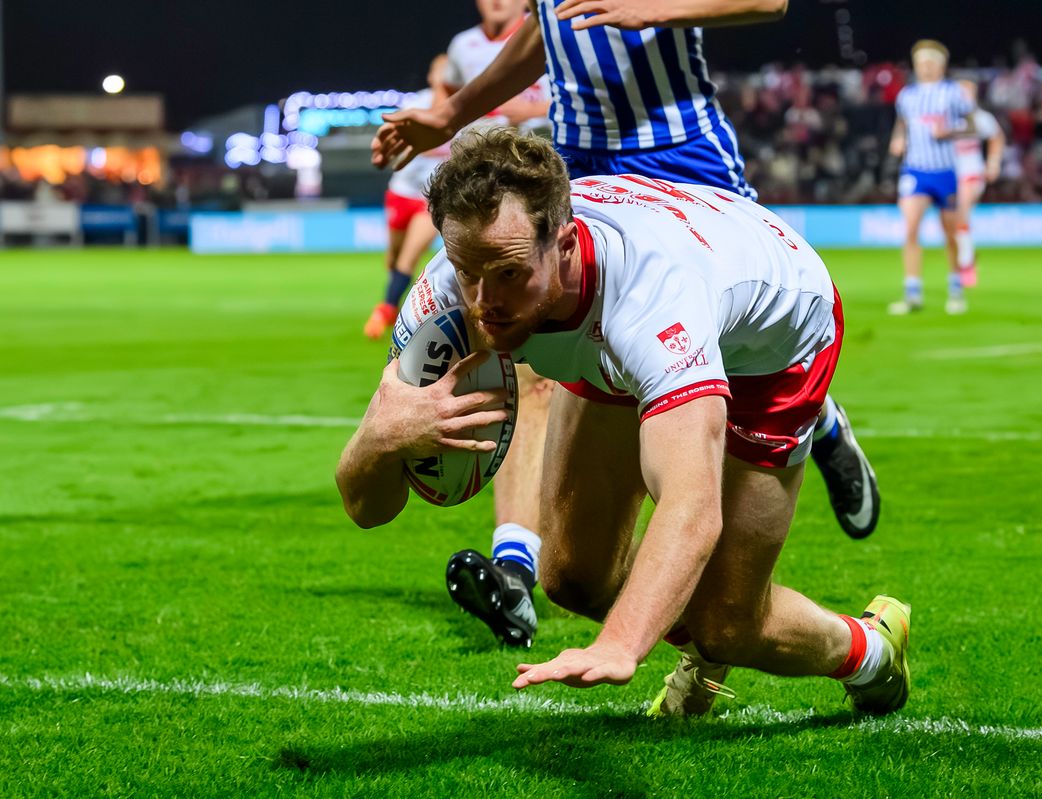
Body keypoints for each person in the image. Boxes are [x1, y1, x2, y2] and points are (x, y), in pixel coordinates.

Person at [337, 128, 909, 717]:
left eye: (509, 274)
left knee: (727, 624)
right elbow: (366, 508)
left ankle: (872, 650)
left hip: (776, 339)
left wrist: (620, 643)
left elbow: (690, 508)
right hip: (617, 327)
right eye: (468, 270)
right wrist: (377, 441)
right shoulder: (448, 291)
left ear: (563, 245)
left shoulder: (651, 301)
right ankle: (700, 641)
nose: (483, 302)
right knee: (574, 578)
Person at [371, 0, 881, 651]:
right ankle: (519, 560)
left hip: (679, 149)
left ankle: (818, 416)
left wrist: (662, 7)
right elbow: (547, 28)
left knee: (703, 334)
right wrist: (450, 113)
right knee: (535, 357)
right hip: (583, 156)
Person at [364, 56, 453, 340]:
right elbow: (405, 143)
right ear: (430, 76)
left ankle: (386, 310)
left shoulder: (464, 110)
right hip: (401, 192)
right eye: (438, 71)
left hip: (430, 200)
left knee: (408, 259)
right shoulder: (415, 105)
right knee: (393, 259)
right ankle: (394, 304)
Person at [887, 40, 975, 316]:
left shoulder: (953, 93)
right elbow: (901, 124)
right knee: (911, 228)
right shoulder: (907, 96)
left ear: (940, 65)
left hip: (945, 172)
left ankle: (955, 287)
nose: (924, 67)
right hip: (915, 170)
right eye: (920, 63)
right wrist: (898, 140)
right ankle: (912, 292)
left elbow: (971, 126)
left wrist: (949, 132)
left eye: (929, 62)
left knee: (950, 233)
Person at [952, 80, 1005, 289]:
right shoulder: (949, 117)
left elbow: (997, 138)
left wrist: (993, 163)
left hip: (972, 172)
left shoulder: (981, 118)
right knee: (954, 222)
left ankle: (965, 265)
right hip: (949, 173)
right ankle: (966, 257)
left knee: (961, 213)